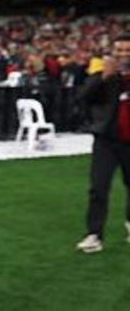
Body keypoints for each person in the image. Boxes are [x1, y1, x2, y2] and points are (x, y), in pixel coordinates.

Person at [75, 34, 130, 254]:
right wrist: (103, 77)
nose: (124, 55)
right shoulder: (103, 73)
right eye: (120, 51)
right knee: (98, 188)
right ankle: (94, 234)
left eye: (128, 50)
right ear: (112, 52)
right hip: (106, 140)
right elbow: (82, 97)